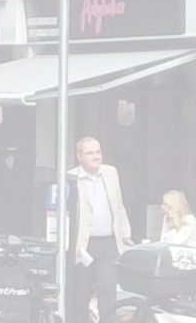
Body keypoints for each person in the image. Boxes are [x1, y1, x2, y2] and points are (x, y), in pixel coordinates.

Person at [66, 136, 134, 323]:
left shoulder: (111, 173)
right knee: (80, 292)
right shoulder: (71, 177)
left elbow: (119, 205)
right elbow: (64, 215)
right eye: (89, 153)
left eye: (98, 152)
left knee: (108, 288)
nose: (95, 157)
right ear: (80, 156)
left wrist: (126, 235)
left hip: (108, 243)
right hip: (83, 246)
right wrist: (69, 245)